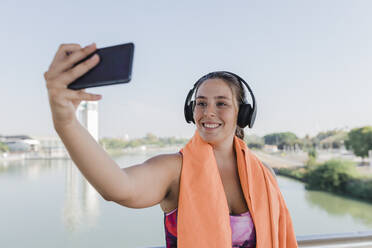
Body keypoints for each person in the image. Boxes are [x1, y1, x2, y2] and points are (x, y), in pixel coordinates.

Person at [44, 43, 297, 248]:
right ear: (191, 110)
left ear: (242, 114)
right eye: (201, 103)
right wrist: (65, 121)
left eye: (221, 103)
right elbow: (118, 187)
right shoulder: (175, 169)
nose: (208, 112)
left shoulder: (265, 174)